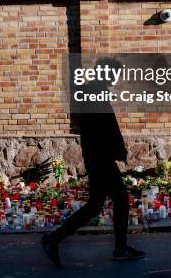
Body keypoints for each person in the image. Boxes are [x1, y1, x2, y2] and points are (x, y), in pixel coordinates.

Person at [42, 58, 145, 265]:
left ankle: (54, 238)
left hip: (98, 157)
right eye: (114, 73)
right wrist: (115, 151)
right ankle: (120, 248)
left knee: (95, 204)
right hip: (101, 158)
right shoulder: (94, 94)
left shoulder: (94, 91)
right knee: (121, 199)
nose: (115, 78)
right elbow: (101, 130)